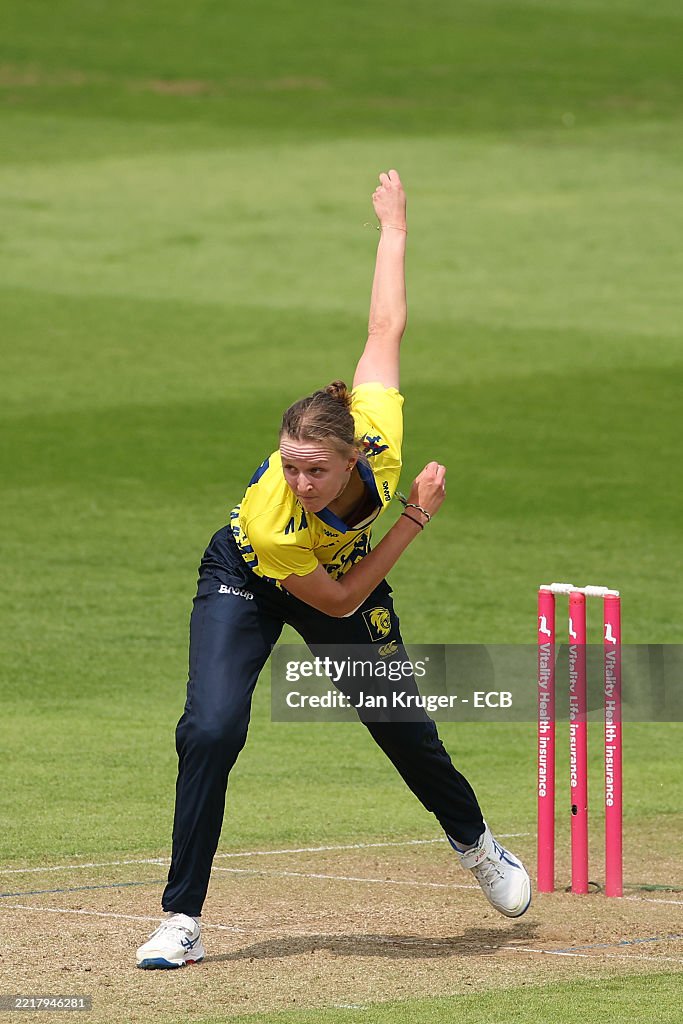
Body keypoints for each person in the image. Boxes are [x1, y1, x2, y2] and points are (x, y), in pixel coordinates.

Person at [136, 170, 531, 970]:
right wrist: (416, 515)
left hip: (342, 572)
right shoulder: (270, 517)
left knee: (402, 730)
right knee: (210, 728)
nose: (298, 480)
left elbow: (385, 324)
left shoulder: (375, 429)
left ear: (353, 453)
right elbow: (342, 598)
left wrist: (393, 226)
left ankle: (475, 843)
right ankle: (181, 919)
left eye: (314, 469)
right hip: (250, 579)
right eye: (288, 464)